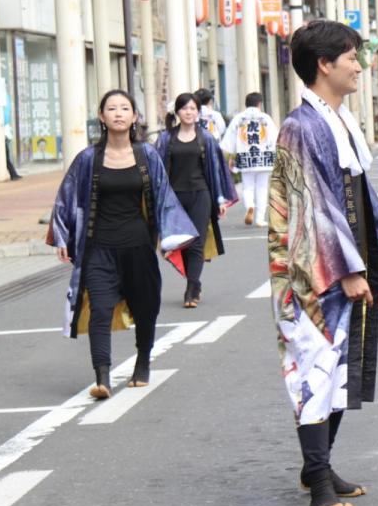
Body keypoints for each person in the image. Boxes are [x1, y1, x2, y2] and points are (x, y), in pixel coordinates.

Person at [270, 19, 378, 506]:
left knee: (334, 370)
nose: (358, 65)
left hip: (343, 263)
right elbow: (314, 208)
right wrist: (349, 270)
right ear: (323, 65)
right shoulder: (302, 126)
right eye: (350, 57)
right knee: (314, 368)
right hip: (310, 273)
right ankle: (318, 490)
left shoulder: (339, 121)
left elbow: (362, 198)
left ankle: (319, 468)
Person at [47, 90, 196, 400]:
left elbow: (165, 197)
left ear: (134, 117)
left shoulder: (147, 156)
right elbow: (67, 197)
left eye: (124, 108)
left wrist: (173, 237)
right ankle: (102, 376)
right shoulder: (89, 159)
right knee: (99, 309)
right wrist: (61, 236)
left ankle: (142, 362)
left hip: (138, 248)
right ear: (101, 117)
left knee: (146, 308)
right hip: (98, 248)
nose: (118, 113)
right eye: (111, 108)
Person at [156, 92, 237, 307]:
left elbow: (217, 170)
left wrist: (220, 200)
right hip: (174, 199)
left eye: (193, 108)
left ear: (198, 112)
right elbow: (157, 171)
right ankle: (194, 282)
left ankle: (191, 289)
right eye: (185, 108)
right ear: (177, 112)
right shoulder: (165, 139)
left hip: (201, 194)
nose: (189, 112)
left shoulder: (207, 139)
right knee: (176, 245)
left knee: (196, 242)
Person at [220, 91, 278, 227]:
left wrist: (232, 155)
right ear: (260, 103)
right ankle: (259, 218)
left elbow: (230, 140)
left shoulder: (239, 118)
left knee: (248, 187)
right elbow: (275, 138)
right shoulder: (265, 118)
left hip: (245, 158)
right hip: (264, 158)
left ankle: (250, 206)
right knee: (262, 187)